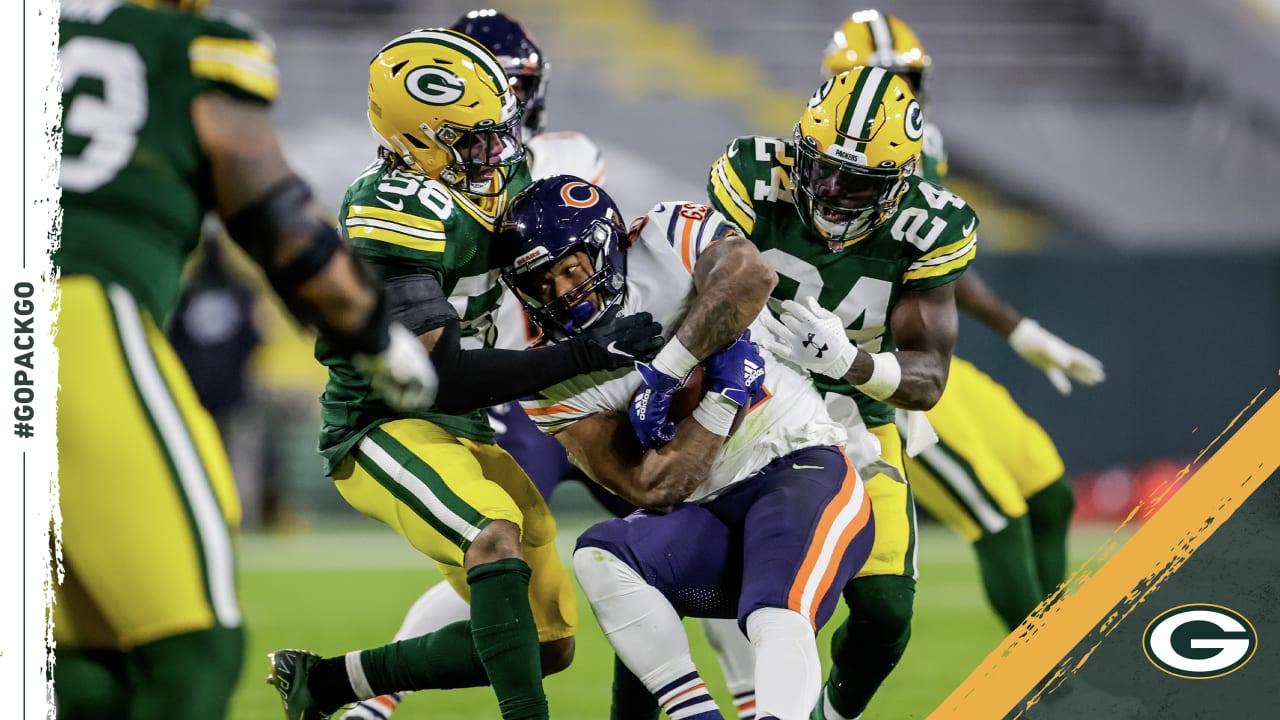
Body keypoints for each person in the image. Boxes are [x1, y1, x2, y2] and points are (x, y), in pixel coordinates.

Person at [263, 29, 665, 720]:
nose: (497, 152)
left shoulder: (494, 177)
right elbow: (437, 376)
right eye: (473, 140)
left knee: (548, 640)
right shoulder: (391, 207)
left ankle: (327, 685)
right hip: (383, 420)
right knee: (491, 535)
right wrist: (589, 354)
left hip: (465, 423)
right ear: (415, 140)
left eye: (498, 132)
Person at [53, 1, 438, 718]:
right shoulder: (185, 44)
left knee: (76, 662)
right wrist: (375, 335)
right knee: (192, 647)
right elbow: (280, 223)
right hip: (65, 316)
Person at [493, 175, 876, 720]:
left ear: (607, 244)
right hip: (707, 510)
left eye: (569, 269)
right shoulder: (548, 372)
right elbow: (653, 487)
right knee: (601, 553)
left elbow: (751, 275)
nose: (560, 292)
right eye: (541, 281)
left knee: (775, 613)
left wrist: (667, 371)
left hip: (798, 463)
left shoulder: (667, 235)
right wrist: (721, 395)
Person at [821, 9, 1106, 634]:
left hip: (923, 361)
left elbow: (936, 264)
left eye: (906, 80)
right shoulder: (826, 160)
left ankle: (1062, 657)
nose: (901, 94)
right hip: (875, 375)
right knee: (998, 515)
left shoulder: (924, 143)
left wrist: (1018, 331)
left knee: (1050, 493)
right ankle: (1051, 673)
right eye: (879, 77)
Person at [707, 66, 976, 720]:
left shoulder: (930, 229)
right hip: (746, 411)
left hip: (854, 420)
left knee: (885, 611)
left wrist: (854, 362)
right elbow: (702, 283)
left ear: (900, 186)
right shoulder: (752, 173)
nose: (829, 190)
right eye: (820, 167)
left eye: (857, 181)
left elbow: (929, 379)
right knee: (669, 571)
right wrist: (735, 319)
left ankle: (831, 714)